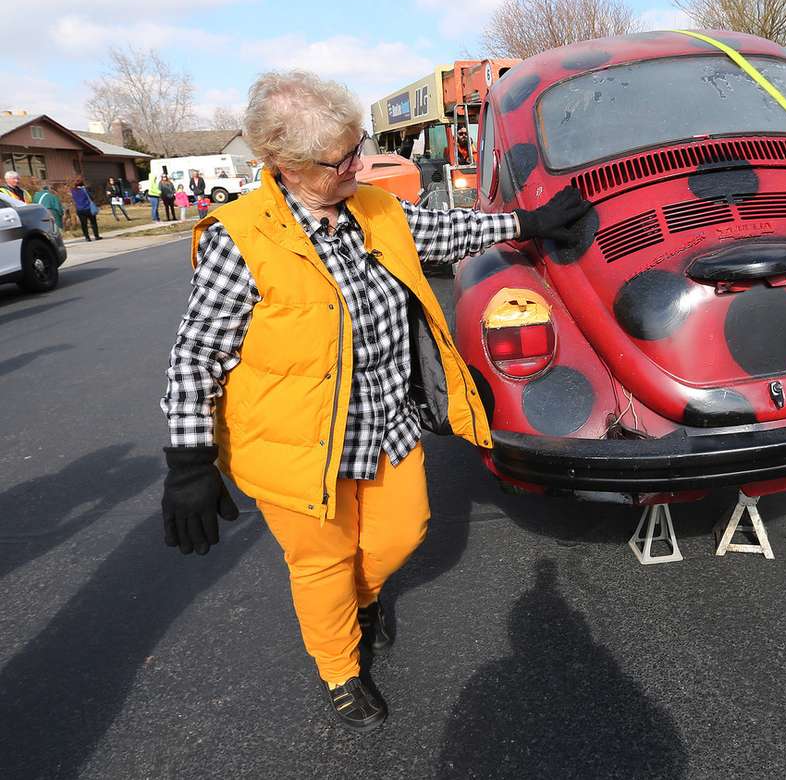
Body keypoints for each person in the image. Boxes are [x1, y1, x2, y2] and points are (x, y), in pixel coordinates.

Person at [159, 70, 592, 732]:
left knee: (403, 532)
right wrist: (188, 460)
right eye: (340, 160)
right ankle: (338, 667)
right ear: (285, 164)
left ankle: (359, 602)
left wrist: (528, 224)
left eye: (356, 147)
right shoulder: (239, 238)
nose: (356, 166)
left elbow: (443, 233)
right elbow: (197, 355)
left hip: (388, 422)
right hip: (294, 445)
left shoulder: (373, 207)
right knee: (322, 561)